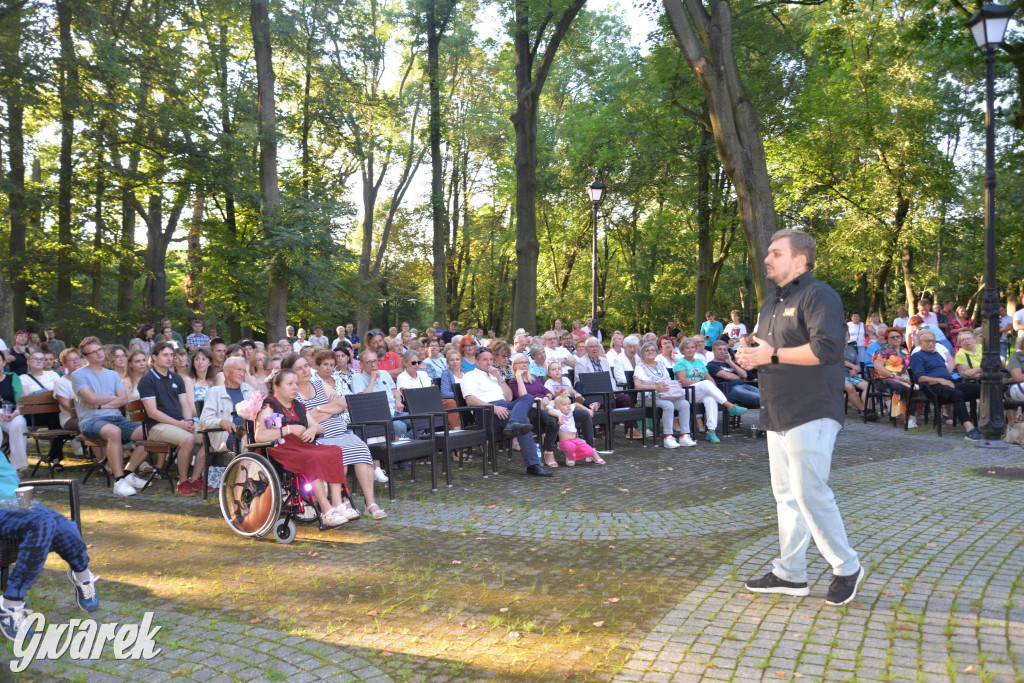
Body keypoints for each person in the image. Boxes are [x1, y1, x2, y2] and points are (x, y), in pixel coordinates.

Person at [736, 228, 863, 606]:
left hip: (812, 409)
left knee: (810, 493)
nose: (767, 259)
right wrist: (750, 354)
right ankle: (790, 574)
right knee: (786, 496)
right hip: (777, 409)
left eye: (775, 253)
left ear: (800, 260)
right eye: (768, 253)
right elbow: (766, 348)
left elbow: (826, 350)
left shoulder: (819, 294)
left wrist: (771, 356)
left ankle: (846, 566)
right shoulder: (770, 303)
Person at [0, 453, 100, 642]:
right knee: (42, 523)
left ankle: (82, 574)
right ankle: (11, 602)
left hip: (17, 501)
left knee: (65, 527)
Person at [253, 368, 356, 528]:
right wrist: (288, 429)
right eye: (289, 384)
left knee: (335, 451)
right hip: (281, 450)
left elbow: (320, 428)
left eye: (296, 383)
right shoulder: (270, 406)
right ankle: (326, 510)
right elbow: (259, 436)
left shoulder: (298, 406)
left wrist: (313, 429)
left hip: (302, 446)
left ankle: (337, 503)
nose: (295, 387)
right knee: (314, 457)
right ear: (277, 387)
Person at [288, 353, 385, 520]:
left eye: (306, 366)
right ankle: (341, 500)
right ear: (290, 373)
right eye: (299, 368)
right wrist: (328, 408)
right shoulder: (292, 393)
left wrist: (317, 410)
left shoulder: (318, 384)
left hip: (342, 431)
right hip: (320, 438)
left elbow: (343, 404)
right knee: (339, 453)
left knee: (361, 449)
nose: (305, 371)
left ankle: (370, 503)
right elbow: (304, 420)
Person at [72, 337, 150, 497]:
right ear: (85, 357)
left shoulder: (112, 375)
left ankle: (128, 473)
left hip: (116, 417)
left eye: (99, 349)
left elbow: (123, 399)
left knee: (150, 433)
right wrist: (110, 398)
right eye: (92, 352)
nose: (98, 353)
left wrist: (101, 404)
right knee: (114, 432)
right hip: (91, 421)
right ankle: (119, 480)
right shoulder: (78, 375)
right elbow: (90, 398)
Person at [460, 348, 550, 476]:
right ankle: (533, 465)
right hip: (486, 410)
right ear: (476, 361)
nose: (489, 362)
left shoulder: (494, 375)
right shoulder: (469, 376)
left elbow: (508, 397)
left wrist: (498, 377)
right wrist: (493, 408)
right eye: (485, 359)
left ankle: (513, 422)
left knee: (528, 397)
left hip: (505, 406)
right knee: (524, 421)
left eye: (491, 359)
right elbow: (470, 400)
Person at [138, 342, 209, 497]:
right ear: (154, 357)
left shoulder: (177, 378)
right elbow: (152, 413)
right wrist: (180, 424)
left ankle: (195, 478)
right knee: (189, 439)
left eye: (172, 355)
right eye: (165, 355)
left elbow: (184, 405)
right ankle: (183, 481)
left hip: (179, 423)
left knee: (210, 436)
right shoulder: (147, 380)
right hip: (157, 427)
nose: (170, 358)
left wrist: (189, 421)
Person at [909, 329, 982, 440]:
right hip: (932, 387)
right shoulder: (917, 356)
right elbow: (921, 378)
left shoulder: (937, 355)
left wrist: (946, 380)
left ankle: (988, 423)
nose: (931, 343)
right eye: (928, 341)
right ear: (920, 343)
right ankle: (970, 430)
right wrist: (941, 380)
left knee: (982, 388)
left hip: (949, 383)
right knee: (957, 394)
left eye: (933, 341)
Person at [673, 338, 747, 442]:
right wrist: (704, 384)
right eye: (687, 348)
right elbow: (683, 380)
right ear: (683, 350)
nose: (690, 350)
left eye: (692, 347)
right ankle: (730, 406)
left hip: (699, 392)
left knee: (710, 398)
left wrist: (713, 387)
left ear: (695, 349)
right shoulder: (680, 362)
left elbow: (709, 377)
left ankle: (711, 431)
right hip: (685, 392)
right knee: (707, 384)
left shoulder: (699, 362)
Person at [633, 342, 694, 448]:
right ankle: (668, 437)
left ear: (657, 352)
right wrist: (655, 387)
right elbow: (637, 386)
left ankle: (684, 435)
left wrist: (674, 385)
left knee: (684, 404)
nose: (650, 352)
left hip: (666, 395)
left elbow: (667, 380)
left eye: (652, 350)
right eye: (647, 350)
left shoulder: (661, 364)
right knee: (668, 405)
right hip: (648, 397)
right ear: (643, 353)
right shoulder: (640, 367)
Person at [199, 356, 252, 453]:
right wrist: (221, 422)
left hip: (249, 433)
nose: (242, 374)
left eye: (244, 371)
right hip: (228, 436)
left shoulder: (249, 390)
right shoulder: (215, 392)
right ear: (226, 372)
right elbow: (204, 421)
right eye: (238, 370)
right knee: (250, 445)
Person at [872, 328, 919, 429]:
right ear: (887, 340)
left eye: (898, 337)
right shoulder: (884, 350)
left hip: (903, 380)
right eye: (892, 337)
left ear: (902, 338)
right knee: (902, 388)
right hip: (884, 379)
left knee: (918, 388)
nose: (896, 339)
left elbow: (908, 367)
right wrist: (893, 375)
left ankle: (912, 416)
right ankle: (907, 418)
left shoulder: (905, 351)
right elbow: (878, 366)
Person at [549, 395, 603, 466]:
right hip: (565, 442)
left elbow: (576, 404)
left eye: (568, 404)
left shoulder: (570, 409)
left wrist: (588, 410)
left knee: (590, 451)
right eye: (565, 405)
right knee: (571, 446)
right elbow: (549, 411)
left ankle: (573, 453)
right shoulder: (558, 412)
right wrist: (558, 416)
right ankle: (570, 456)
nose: (568, 406)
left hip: (575, 440)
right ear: (558, 408)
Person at [706, 340, 760, 408]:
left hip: (744, 386)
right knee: (760, 399)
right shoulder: (711, 365)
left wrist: (730, 362)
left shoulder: (730, 363)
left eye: (724, 349)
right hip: (731, 390)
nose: (722, 351)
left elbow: (744, 375)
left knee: (767, 396)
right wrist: (738, 377)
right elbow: (727, 376)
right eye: (720, 349)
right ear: (713, 351)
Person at [0, 354, 29, 474]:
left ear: (3, 363)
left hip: (11, 413)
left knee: (20, 423)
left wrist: (15, 413)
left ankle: (17, 467)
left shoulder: (12, 377)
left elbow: (20, 399)